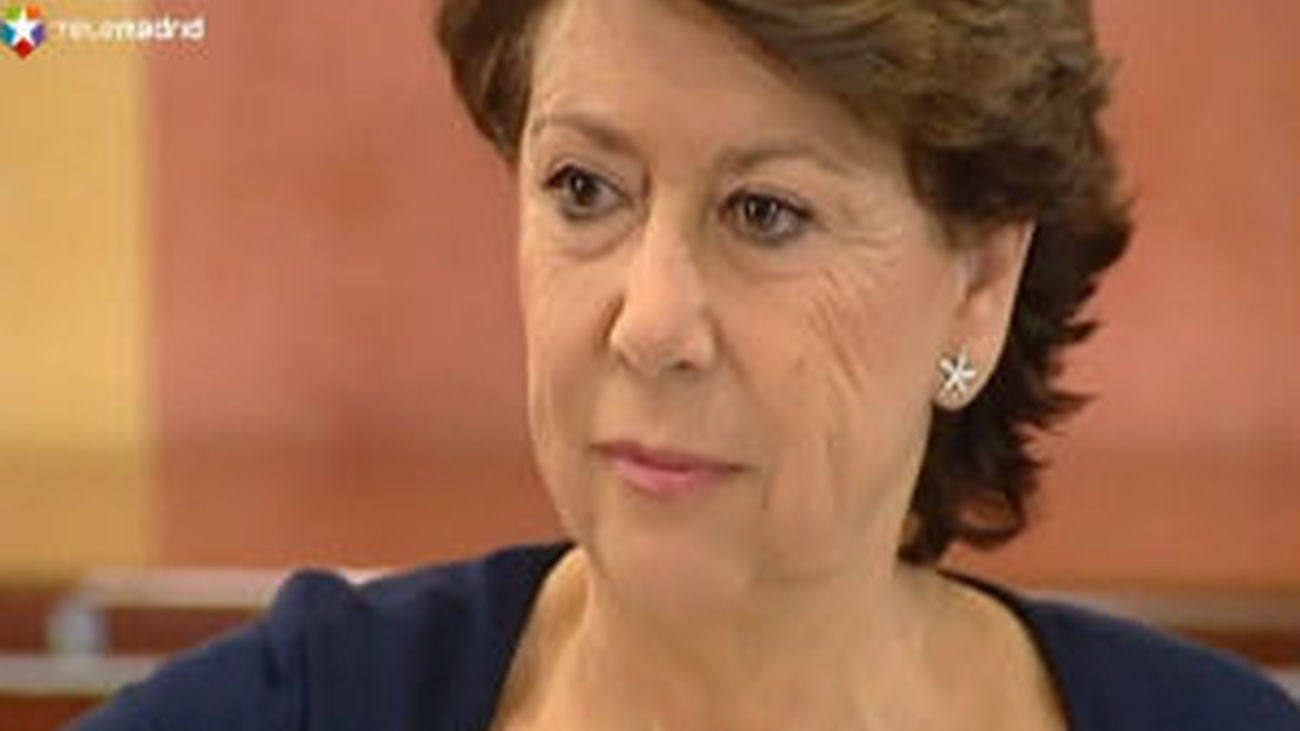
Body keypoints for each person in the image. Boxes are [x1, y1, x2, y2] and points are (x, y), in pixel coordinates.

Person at [69, 0, 1299, 729]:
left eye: (766, 212)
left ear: (978, 283)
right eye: (584, 188)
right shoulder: (286, 711)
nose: (649, 322)